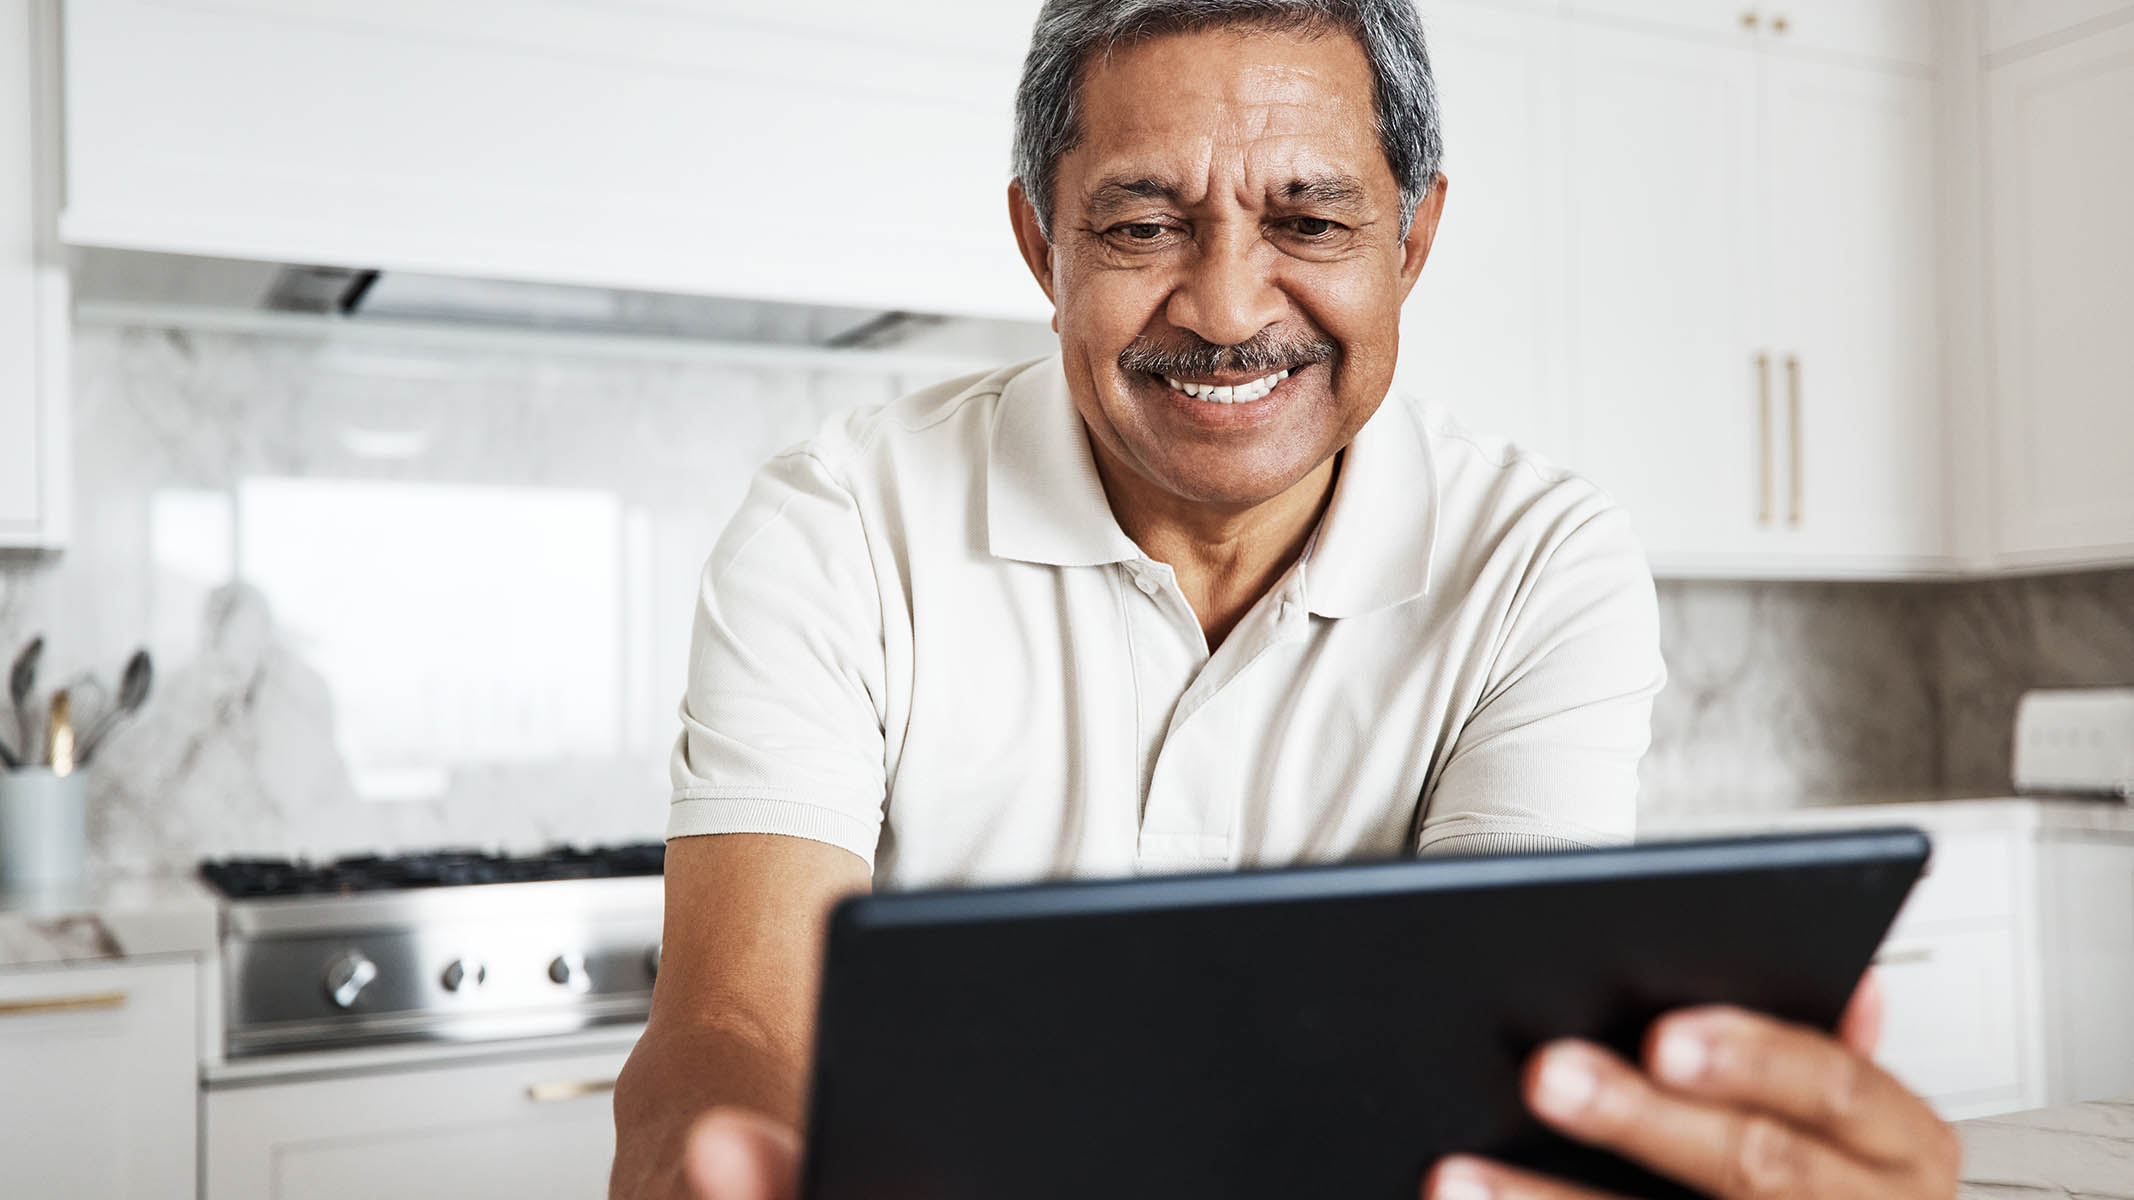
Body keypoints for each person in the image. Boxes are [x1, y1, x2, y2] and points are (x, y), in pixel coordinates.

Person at [609, 1, 1963, 1197]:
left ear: (1413, 238)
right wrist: (720, 1168)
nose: (1221, 305)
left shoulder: (1540, 559)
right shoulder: (840, 519)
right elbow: (731, 1026)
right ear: (1040, 242)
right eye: (1142, 225)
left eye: (1308, 221)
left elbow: (1505, 1080)